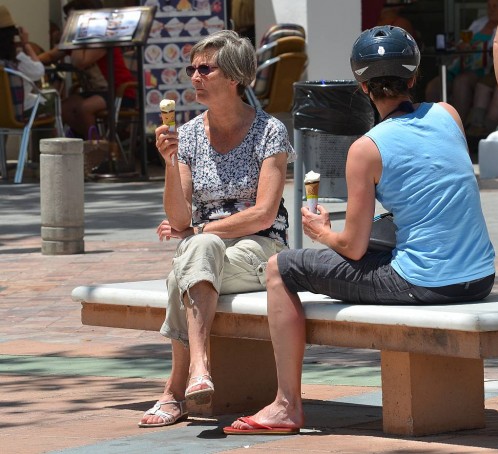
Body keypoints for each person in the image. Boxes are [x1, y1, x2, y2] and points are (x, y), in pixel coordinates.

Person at [225, 25, 495, 435]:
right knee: (387, 230)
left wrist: (320, 232)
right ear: (413, 77)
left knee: (282, 267)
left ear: (362, 86)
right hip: (478, 276)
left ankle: (286, 405)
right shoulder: (448, 114)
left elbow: (351, 248)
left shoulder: (366, 148)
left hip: (424, 283)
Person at [138, 29, 295, 428]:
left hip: (261, 249)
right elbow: (177, 220)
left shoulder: (269, 131)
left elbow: (263, 214)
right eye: (192, 68)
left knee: (184, 269)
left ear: (235, 77)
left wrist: (200, 229)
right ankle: (200, 371)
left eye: (205, 69)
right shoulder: (188, 134)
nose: (194, 77)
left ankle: (175, 388)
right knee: (199, 252)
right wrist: (171, 162)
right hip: (208, 249)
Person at [60, 0, 136, 139]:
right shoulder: (82, 39)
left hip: (119, 91)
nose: (68, 23)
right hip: (97, 91)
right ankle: (85, 138)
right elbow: (53, 54)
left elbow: (80, 62)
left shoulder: (103, 38)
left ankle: (96, 146)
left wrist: (77, 34)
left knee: (85, 108)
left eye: (72, 19)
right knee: (63, 108)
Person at [426, 0, 498, 127]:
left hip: (482, 69)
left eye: (495, 6)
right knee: (434, 85)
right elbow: (463, 41)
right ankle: (434, 126)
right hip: (460, 65)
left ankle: (459, 127)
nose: (491, 9)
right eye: (489, 6)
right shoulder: (479, 23)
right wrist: (461, 46)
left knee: (461, 82)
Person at [0, 5, 45, 116]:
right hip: (16, 110)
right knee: (49, 101)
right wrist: (26, 44)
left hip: (2, 114)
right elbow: (38, 72)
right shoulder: (16, 60)